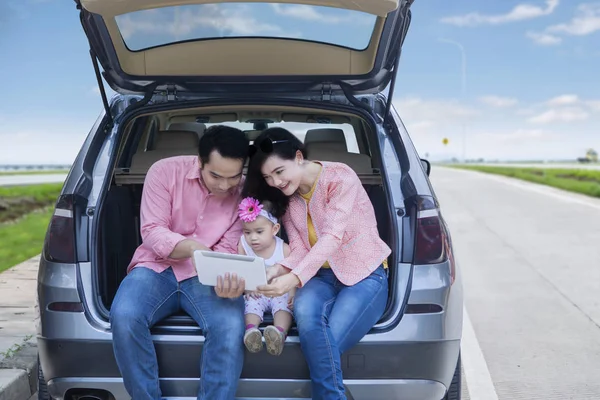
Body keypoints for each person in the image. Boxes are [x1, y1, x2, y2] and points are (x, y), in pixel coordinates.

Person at [243, 127, 390, 400]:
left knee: (323, 341)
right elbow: (299, 247)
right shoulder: (288, 196)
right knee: (310, 325)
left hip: (364, 274)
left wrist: (293, 279)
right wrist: (279, 269)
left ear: (298, 157)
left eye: (279, 171)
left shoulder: (340, 177)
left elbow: (332, 236)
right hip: (320, 278)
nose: (275, 182)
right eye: (267, 177)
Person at [110, 125, 249, 400]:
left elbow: (230, 244)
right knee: (124, 315)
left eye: (233, 177)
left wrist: (226, 275)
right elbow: (152, 230)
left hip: (206, 275)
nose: (224, 185)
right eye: (216, 176)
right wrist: (192, 248)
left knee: (231, 325)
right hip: (155, 267)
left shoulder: (244, 192)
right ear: (200, 162)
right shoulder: (163, 172)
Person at [237, 197, 294, 356]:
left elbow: (292, 273)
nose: (253, 237)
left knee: (283, 307)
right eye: (247, 232)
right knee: (250, 304)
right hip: (257, 291)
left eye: (259, 232)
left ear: (274, 229)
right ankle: (251, 331)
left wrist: (292, 293)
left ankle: (279, 333)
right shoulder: (243, 245)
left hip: (278, 291)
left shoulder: (284, 249)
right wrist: (247, 288)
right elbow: (242, 268)